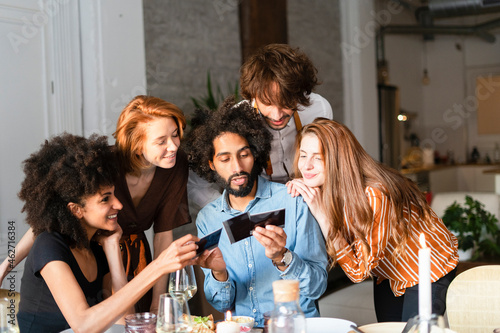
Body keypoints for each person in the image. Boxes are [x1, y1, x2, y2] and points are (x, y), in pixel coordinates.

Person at [0, 95, 191, 312]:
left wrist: (159, 301)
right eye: (161, 141)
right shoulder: (101, 164)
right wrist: (6, 266)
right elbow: (49, 218)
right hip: (96, 258)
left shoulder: (176, 165)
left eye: (175, 135)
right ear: (137, 145)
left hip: (139, 260)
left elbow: (163, 235)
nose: (174, 146)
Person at [16, 133, 198, 333]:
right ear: (76, 209)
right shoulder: (49, 245)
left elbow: (124, 321)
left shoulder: (95, 245)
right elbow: (83, 325)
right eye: (105, 199)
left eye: (114, 194)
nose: (119, 204)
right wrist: (159, 266)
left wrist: (113, 251)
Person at [286, 118, 459, 322]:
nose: (306, 166)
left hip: (429, 266)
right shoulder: (320, 190)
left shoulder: (373, 195)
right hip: (387, 270)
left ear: (339, 160)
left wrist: (323, 216)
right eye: (303, 155)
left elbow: (358, 273)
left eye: (318, 158)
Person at [185, 97, 328, 327]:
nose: (237, 168)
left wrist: (283, 257)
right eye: (225, 159)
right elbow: (222, 304)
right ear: (211, 164)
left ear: (256, 153)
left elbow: (317, 287)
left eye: (244, 154)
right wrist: (219, 273)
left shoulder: (293, 201)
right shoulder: (209, 219)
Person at [187, 43, 333, 215]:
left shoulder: (320, 109)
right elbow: (195, 184)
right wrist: (233, 213)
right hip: (260, 209)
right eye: (267, 103)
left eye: (286, 103)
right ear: (253, 95)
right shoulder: (235, 121)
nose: (277, 115)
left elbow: (330, 162)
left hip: (310, 202)